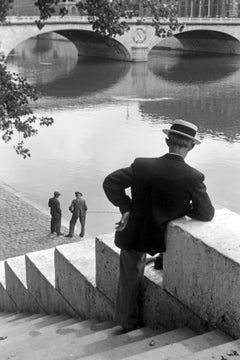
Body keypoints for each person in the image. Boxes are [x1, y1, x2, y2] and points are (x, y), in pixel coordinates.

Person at [103, 119, 215, 332]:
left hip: (135, 232)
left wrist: (125, 207)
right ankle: (159, 261)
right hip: (162, 237)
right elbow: (206, 213)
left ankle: (127, 323)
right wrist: (182, 210)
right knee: (162, 252)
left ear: (167, 141)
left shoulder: (142, 165)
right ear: (191, 146)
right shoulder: (193, 177)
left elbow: (110, 183)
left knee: (129, 276)